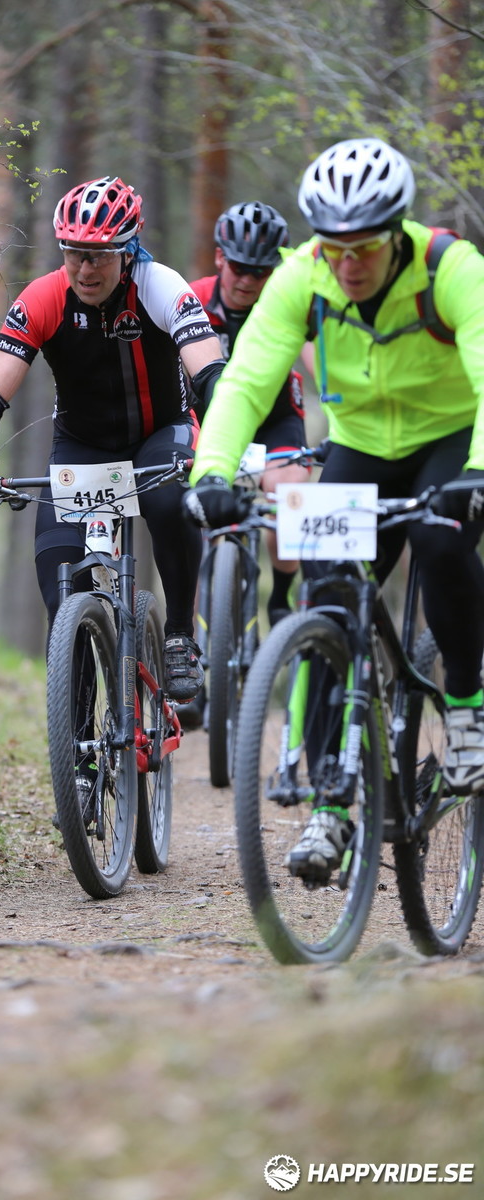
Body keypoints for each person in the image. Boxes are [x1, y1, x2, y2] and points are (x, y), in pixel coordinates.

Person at [185, 137, 484, 883]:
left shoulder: (451, 267)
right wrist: (213, 470)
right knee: (325, 593)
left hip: (450, 439)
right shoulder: (302, 276)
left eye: (365, 248)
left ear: (396, 235)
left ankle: (470, 707)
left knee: (442, 544)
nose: (348, 263)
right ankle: (333, 798)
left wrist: (477, 471)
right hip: (361, 447)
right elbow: (249, 379)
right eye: (334, 247)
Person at [0, 176, 226, 810]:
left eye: (99, 253)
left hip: (161, 434)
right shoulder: (43, 297)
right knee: (61, 588)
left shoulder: (161, 288)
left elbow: (208, 370)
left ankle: (179, 632)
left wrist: (223, 442)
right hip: (83, 448)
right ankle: (77, 755)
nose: (85, 265)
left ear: (128, 249)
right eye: (74, 250)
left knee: (166, 503)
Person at [178, 201, 311, 732]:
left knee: (288, 498)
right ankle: (190, 647)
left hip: (276, 418)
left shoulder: (284, 301)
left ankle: (280, 596)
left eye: (261, 271)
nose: (248, 280)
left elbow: (317, 359)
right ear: (220, 260)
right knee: (189, 510)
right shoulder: (193, 299)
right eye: (239, 268)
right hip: (209, 416)